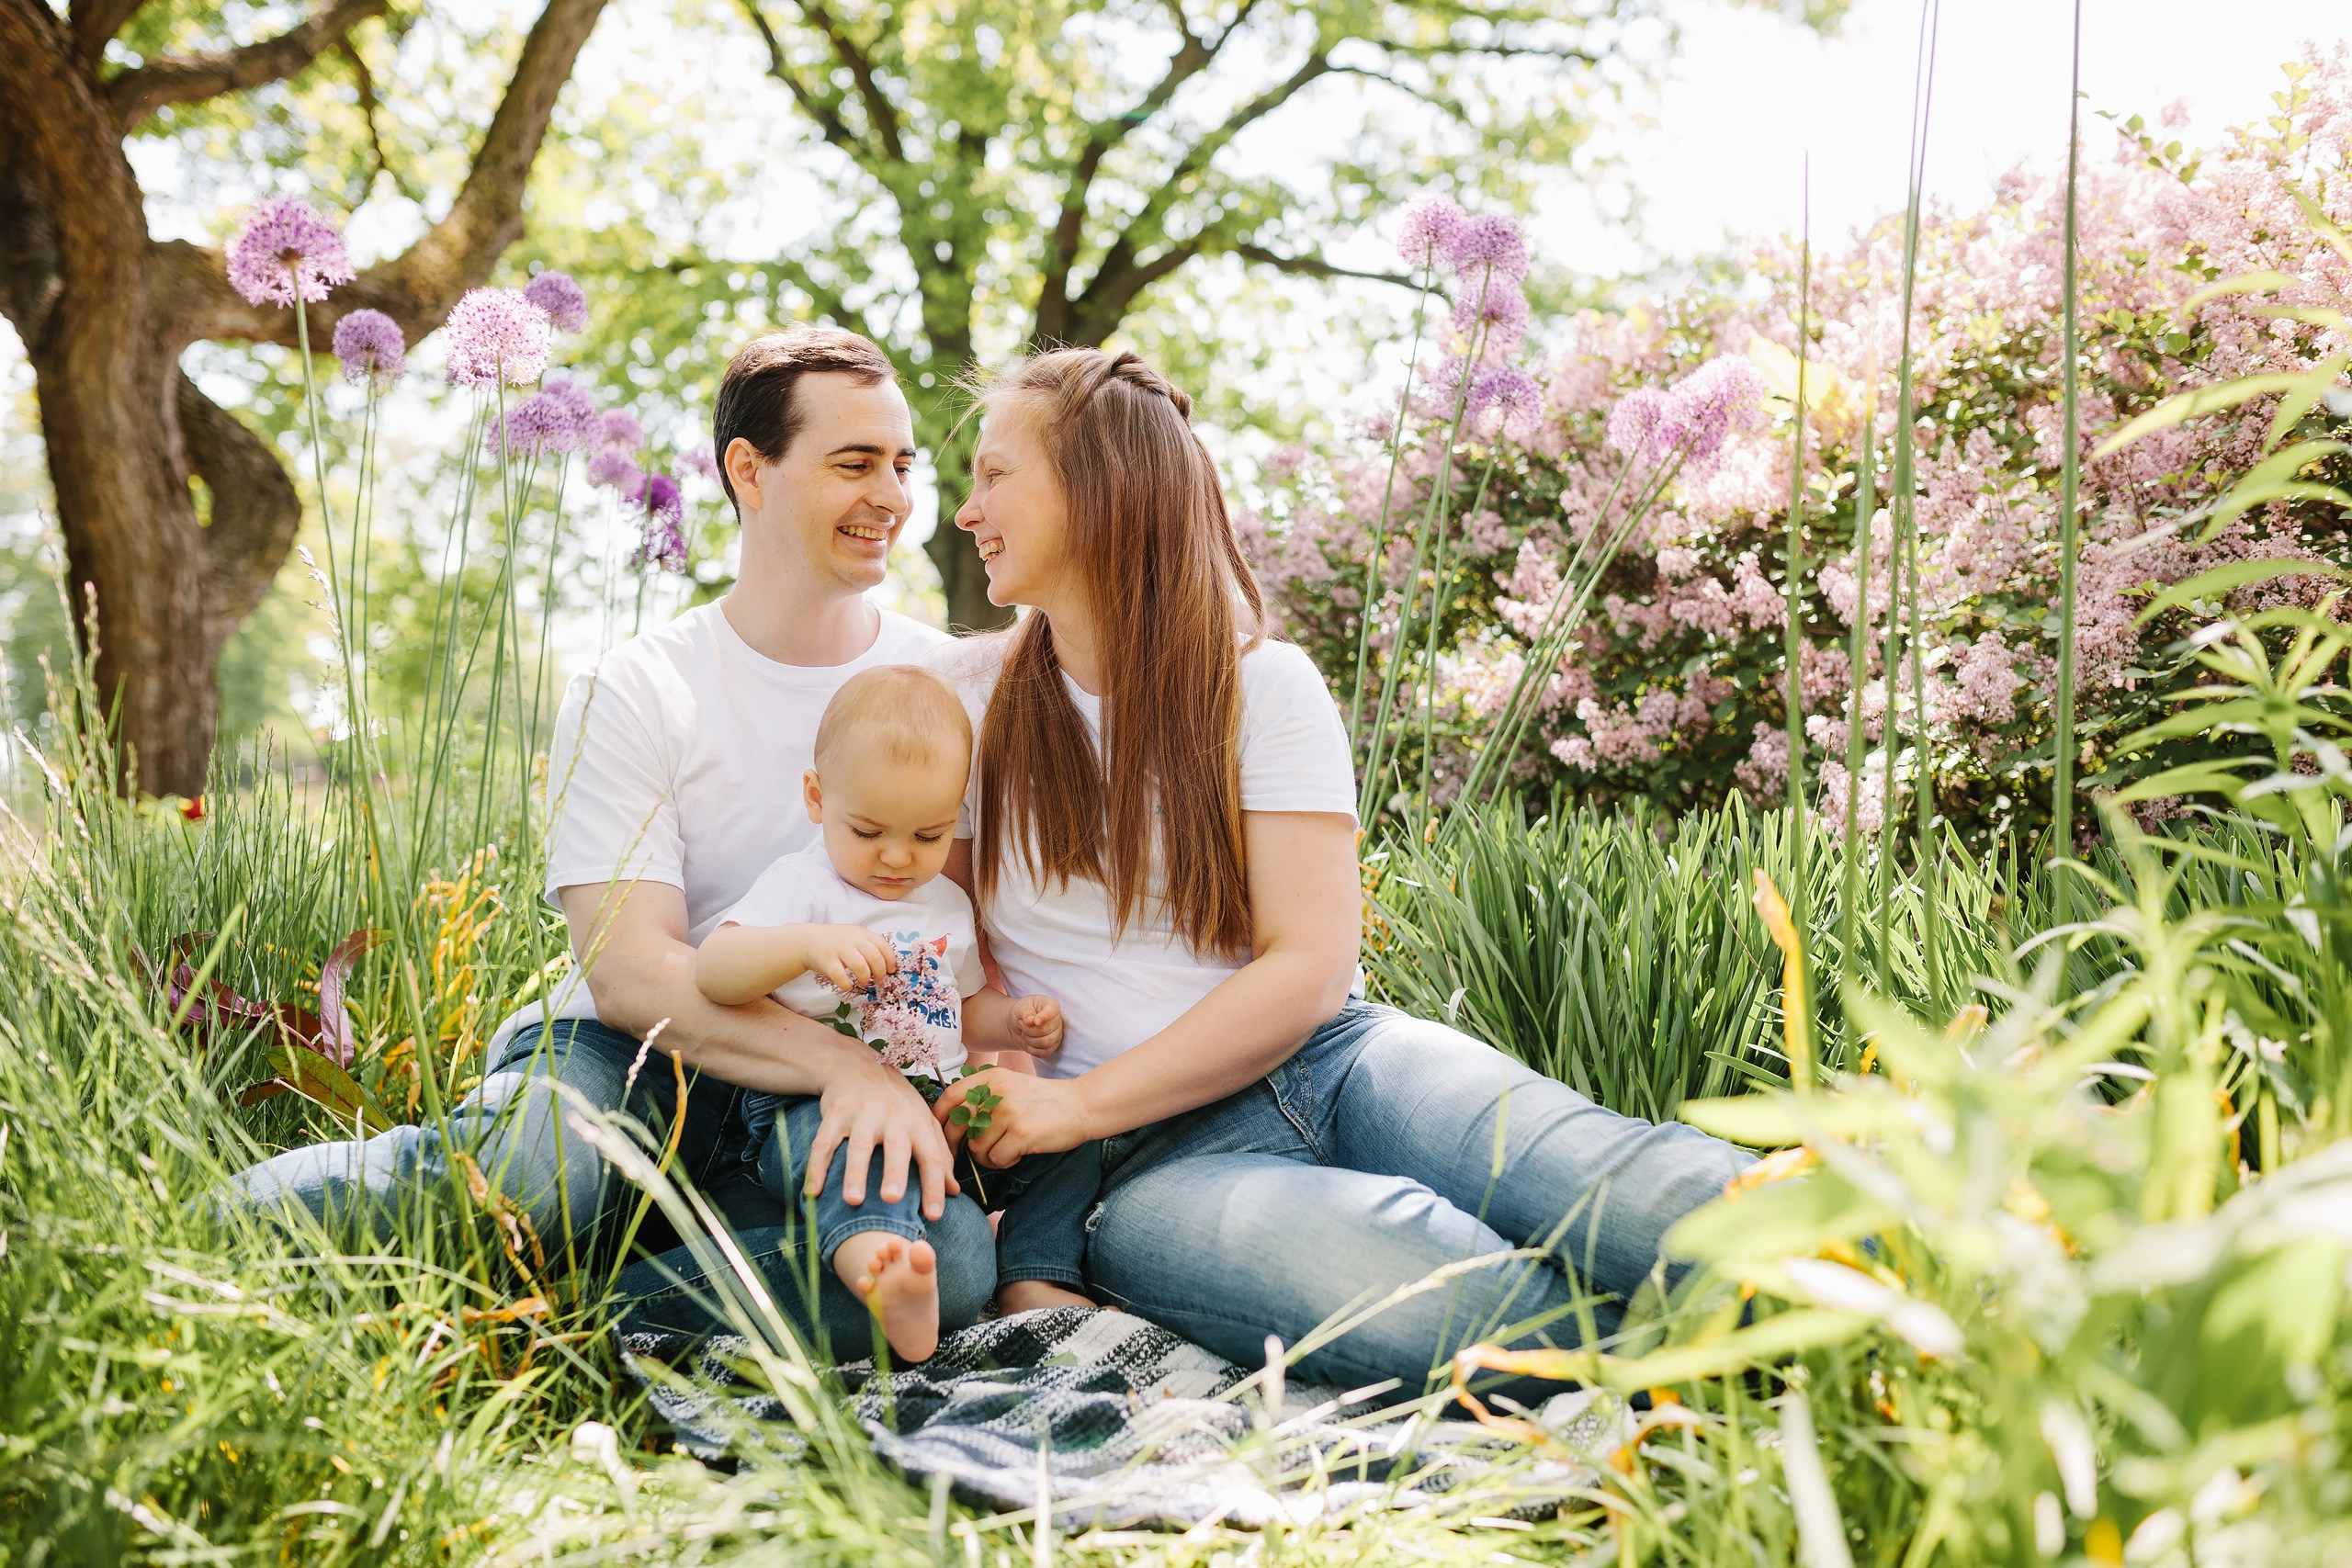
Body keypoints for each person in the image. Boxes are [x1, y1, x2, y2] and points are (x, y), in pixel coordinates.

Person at [927, 346, 1754, 1397]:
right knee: (1452, 1304)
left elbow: (1309, 969)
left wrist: (1074, 1107)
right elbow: (949, 958)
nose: (965, 510)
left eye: (995, 474)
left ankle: (1946, 1284)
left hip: (1340, 1061)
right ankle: (1760, 1371)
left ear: (1099, 490)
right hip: (1150, 1174)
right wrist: (1037, 1132)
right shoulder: (957, 704)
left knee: (1613, 1186)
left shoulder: (1261, 688)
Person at [225, 327, 997, 1347]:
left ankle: (573, 1325)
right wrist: (842, 1066)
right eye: (854, 463)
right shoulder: (638, 686)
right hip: (631, 1052)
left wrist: (946, 1065)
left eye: (902, 464)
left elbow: (969, 929)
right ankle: (203, 1231)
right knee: (537, 1173)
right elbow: (633, 974)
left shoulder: (951, 686)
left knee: (949, 1267)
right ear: (747, 471)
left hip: (819, 1099)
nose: (894, 495)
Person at [694, 663, 1101, 1360]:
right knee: (869, 1149)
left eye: (927, 834)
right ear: (817, 798)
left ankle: (1036, 1274)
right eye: (868, 828)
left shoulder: (944, 905)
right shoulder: (804, 887)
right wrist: (803, 946)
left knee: (1060, 1128)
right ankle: (877, 1262)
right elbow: (714, 971)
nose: (895, 855)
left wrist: (1012, 1023)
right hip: (813, 1106)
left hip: (938, 1106)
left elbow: (961, 1008)